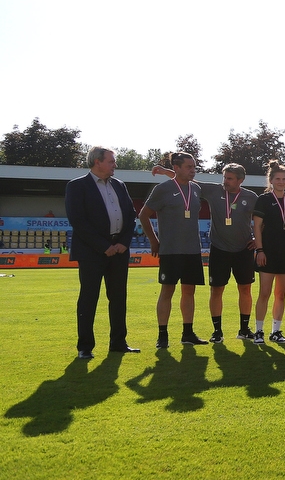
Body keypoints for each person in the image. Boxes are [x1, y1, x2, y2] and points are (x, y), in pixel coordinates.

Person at [153, 162, 259, 343]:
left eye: (230, 179)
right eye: (224, 177)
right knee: (216, 290)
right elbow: (186, 178)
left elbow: (262, 220)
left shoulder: (251, 197)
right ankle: (217, 331)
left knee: (245, 289)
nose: (225, 181)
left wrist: (258, 239)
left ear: (240, 180)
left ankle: (244, 328)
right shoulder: (214, 191)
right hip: (219, 249)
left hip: (243, 250)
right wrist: (165, 172)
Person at [65, 146, 138, 358]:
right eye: (111, 161)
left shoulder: (120, 185)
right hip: (91, 252)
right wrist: (103, 246)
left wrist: (123, 242)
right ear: (98, 162)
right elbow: (78, 221)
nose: (115, 165)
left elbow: (131, 215)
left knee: (118, 298)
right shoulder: (77, 186)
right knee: (89, 298)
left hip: (119, 250)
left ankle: (118, 342)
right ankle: (85, 347)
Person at [139, 151, 207, 348]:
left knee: (189, 291)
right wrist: (154, 240)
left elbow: (182, 181)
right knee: (167, 290)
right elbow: (144, 215)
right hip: (170, 250)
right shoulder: (162, 189)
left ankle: (187, 333)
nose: (193, 170)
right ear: (177, 168)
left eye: (194, 167)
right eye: (189, 167)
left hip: (193, 250)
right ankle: (162, 335)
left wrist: (167, 171)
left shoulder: (195, 189)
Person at [252, 160, 285, 345]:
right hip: (268, 252)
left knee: (281, 294)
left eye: (284, 179)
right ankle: (259, 331)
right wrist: (260, 250)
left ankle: (276, 331)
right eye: (277, 179)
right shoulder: (263, 199)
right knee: (264, 293)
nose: (281, 181)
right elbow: (257, 227)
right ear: (271, 180)